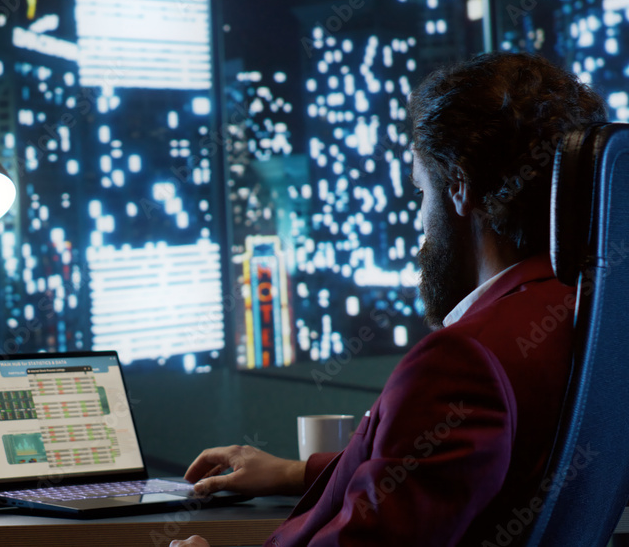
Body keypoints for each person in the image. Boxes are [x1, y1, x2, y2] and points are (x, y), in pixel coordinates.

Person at [172, 52, 608, 546]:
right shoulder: (589, 317)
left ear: (459, 187)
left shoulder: (466, 360)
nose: (420, 219)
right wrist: (300, 473)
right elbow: (452, 468)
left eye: (421, 192)